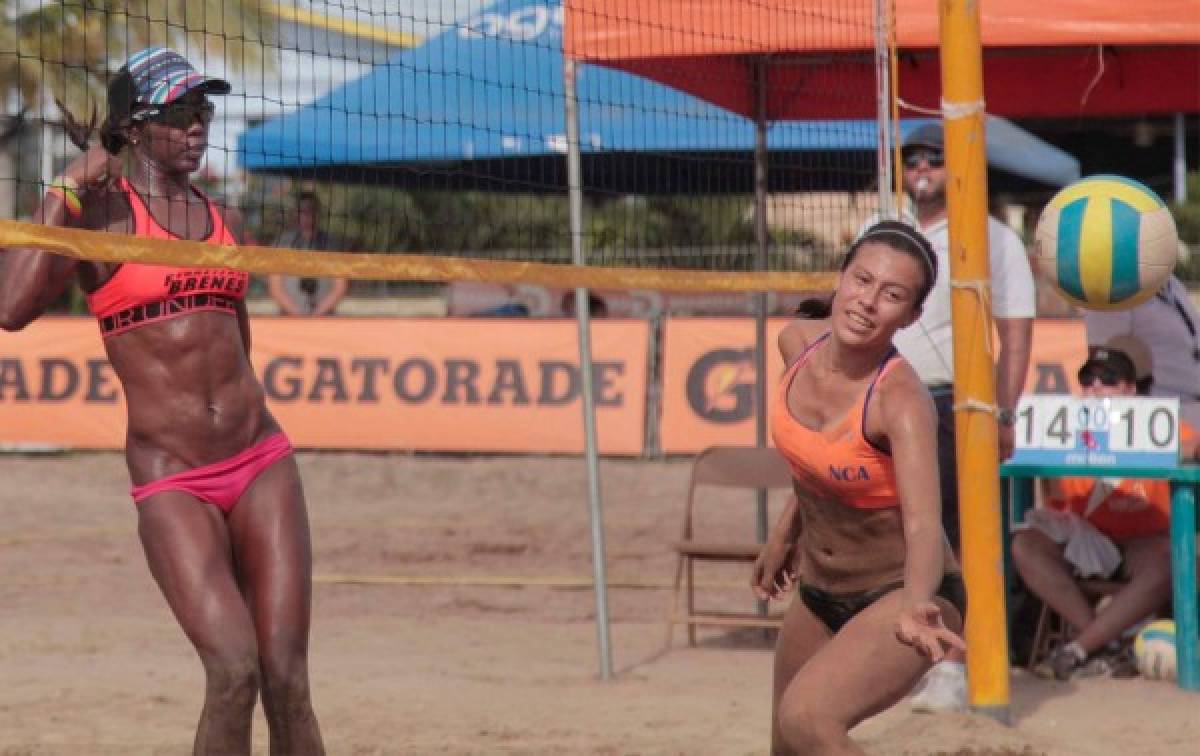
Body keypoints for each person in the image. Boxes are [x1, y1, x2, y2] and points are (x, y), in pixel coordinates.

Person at [0, 48, 324, 755]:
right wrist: (65, 187)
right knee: (234, 671)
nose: (197, 124)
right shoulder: (102, 218)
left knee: (288, 679)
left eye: (202, 110)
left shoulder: (226, 218)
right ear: (137, 127)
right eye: (179, 113)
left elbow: (235, 344)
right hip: (173, 476)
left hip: (260, 460)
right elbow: (10, 306)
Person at [751, 221, 965, 755]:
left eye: (892, 295)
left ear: (912, 316)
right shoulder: (795, 342)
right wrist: (785, 534)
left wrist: (917, 606)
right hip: (820, 590)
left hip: (902, 594)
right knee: (787, 743)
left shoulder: (901, 401)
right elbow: (815, 464)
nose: (868, 301)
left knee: (807, 719)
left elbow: (922, 525)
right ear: (841, 279)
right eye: (861, 280)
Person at [894, 122, 1036, 711]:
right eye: (913, 158)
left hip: (954, 402)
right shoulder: (885, 227)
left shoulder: (989, 235)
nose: (922, 167)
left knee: (949, 537)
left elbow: (1017, 326)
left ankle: (953, 664)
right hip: (888, 401)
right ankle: (905, 658)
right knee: (891, 538)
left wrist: (1004, 412)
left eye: (933, 158)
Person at [1012, 336, 1199, 680]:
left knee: (1168, 559)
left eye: (1109, 379)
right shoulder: (1066, 428)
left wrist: (1179, 449)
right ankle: (1104, 644)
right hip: (1089, 538)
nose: (1096, 386)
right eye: (1088, 379)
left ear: (1131, 389)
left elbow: (1193, 443)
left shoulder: (1160, 426)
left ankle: (1077, 648)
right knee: (1025, 544)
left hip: (1144, 541)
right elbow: (1020, 449)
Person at [1085, 273, 1200, 427]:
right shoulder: (1114, 287)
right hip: (1154, 415)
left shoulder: (1171, 284)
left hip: (1188, 414)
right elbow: (1103, 366)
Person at [267, 191, 347, 316]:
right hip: (289, 318)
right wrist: (298, 314)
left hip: (324, 318)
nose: (308, 215)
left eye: (312, 211)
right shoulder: (282, 244)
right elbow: (275, 288)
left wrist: (318, 313)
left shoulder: (331, 245)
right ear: (296, 214)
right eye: (303, 211)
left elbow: (340, 286)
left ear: (318, 214)